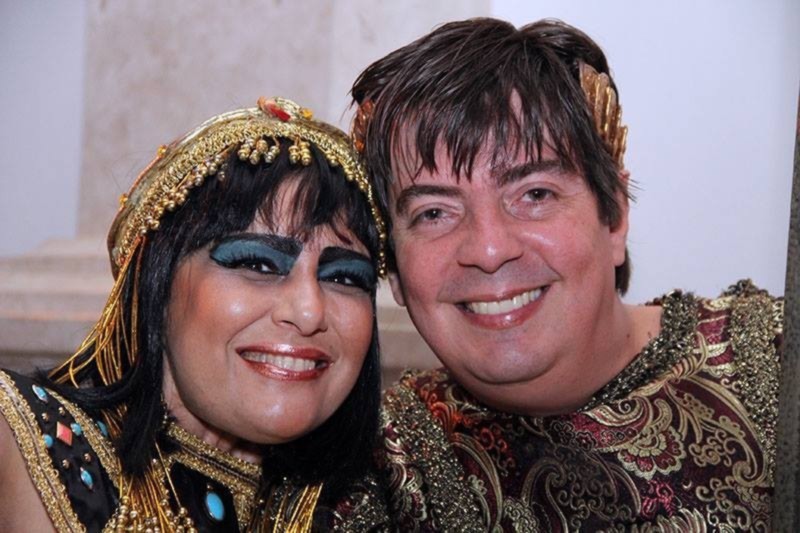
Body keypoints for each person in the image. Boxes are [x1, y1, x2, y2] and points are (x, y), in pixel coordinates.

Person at [347, 18, 783, 531]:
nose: (489, 250)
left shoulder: (772, 361)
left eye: (534, 194)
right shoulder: (369, 468)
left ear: (614, 217)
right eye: (435, 213)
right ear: (394, 270)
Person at [0, 96, 390, 532]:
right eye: (258, 264)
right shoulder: (14, 436)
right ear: (156, 285)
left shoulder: (366, 510)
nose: (309, 310)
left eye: (345, 277)